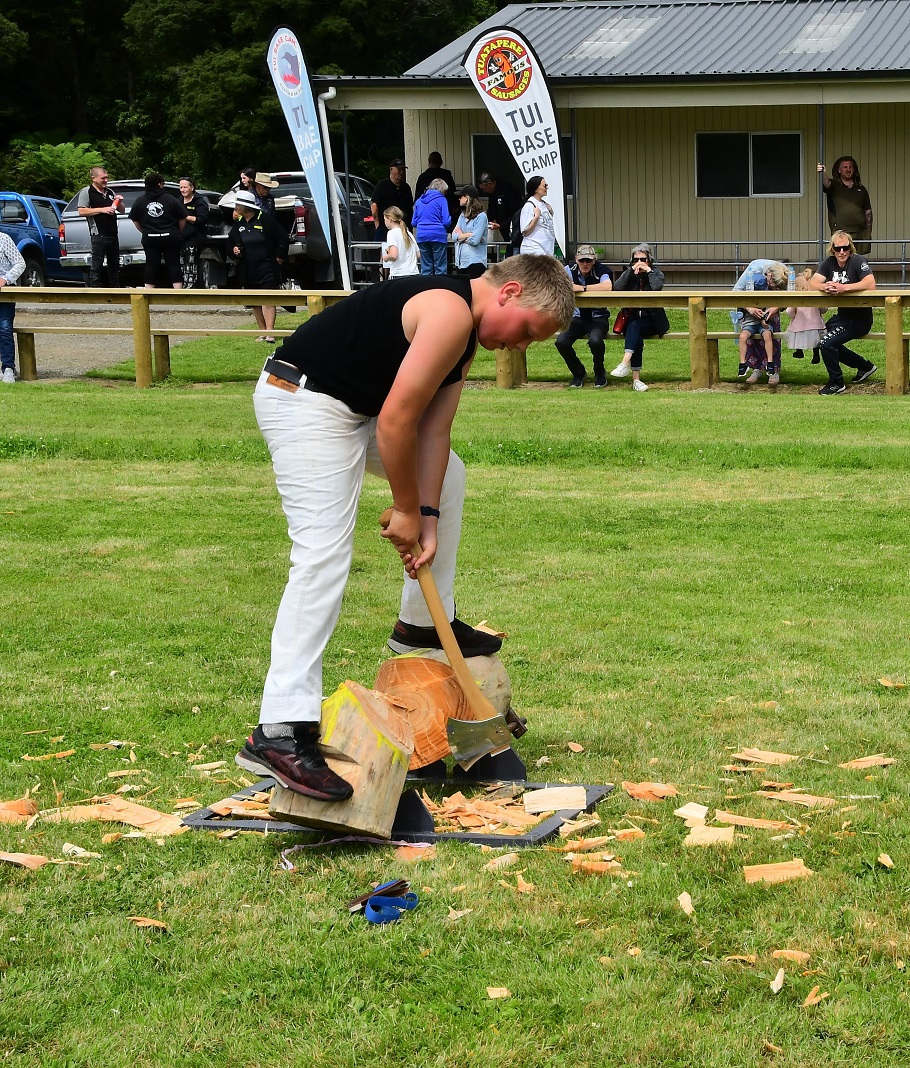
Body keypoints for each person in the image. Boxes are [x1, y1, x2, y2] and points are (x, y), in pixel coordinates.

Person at [234, 256, 575, 800]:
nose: (521, 346)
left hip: (350, 408)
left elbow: (433, 432)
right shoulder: (449, 312)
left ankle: (418, 624)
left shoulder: (465, 339)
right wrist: (405, 509)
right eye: (529, 331)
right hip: (303, 400)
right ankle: (279, 728)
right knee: (322, 553)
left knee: (452, 474)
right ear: (509, 293)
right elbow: (396, 421)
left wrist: (429, 516)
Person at [809, 231, 877, 395]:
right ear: (832, 249)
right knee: (821, 338)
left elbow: (870, 283)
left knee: (827, 343)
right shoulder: (829, 263)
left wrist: (843, 288)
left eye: (845, 247)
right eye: (838, 248)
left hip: (860, 319)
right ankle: (864, 366)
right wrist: (825, 287)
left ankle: (836, 382)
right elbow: (813, 282)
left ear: (850, 247)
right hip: (842, 317)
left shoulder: (858, 261)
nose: (842, 252)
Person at [229, 189, 289, 343]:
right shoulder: (239, 224)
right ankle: (262, 331)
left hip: (267, 266)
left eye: (238, 204)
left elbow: (282, 236)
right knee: (254, 301)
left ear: (246, 207)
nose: (235, 207)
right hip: (248, 269)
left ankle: (270, 332)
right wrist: (234, 250)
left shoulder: (265, 220)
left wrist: (280, 255)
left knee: (267, 299)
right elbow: (230, 243)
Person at [609, 243, 669, 392]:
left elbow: (656, 288)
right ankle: (636, 380)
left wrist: (648, 271)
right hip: (631, 319)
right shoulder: (629, 274)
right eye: (636, 260)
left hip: (652, 320)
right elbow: (617, 287)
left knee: (635, 327)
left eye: (643, 259)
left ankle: (624, 364)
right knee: (636, 335)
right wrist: (631, 271)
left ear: (649, 260)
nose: (639, 262)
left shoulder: (656, 273)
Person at [555, 244, 613, 388]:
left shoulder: (602, 270)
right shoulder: (569, 270)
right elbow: (558, 283)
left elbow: (607, 286)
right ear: (576, 260)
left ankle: (600, 373)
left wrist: (583, 288)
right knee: (561, 342)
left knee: (595, 341)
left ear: (594, 260)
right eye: (582, 260)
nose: (585, 264)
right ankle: (578, 373)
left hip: (598, 317)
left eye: (588, 260)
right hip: (577, 318)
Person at [730, 260, 789, 376]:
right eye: (774, 287)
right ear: (769, 276)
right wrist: (750, 309)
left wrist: (775, 308)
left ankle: (774, 369)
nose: (775, 290)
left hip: (770, 309)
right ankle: (756, 368)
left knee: (770, 335)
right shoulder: (753, 271)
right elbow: (736, 292)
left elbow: (789, 297)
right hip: (751, 310)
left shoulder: (784, 273)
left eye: (778, 288)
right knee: (750, 337)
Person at [128, 173, 187, 289]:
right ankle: (178, 293)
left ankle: (148, 292)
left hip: (150, 238)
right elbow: (182, 217)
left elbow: (135, 220)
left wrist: (145, 231)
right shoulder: (171, 199)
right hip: (170, 237)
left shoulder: (140, 201)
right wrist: (177, 231)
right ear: (160, 184)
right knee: (174, 264)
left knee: (151, 265)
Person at [76, 166, 126, 287]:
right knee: (97, 263)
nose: (106, 180)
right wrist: (102, 210)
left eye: (107, 178)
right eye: (103, 178)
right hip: (98, 234)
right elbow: (81, 211)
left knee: (114, 264)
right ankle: (95, 289)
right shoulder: (87, 192)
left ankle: (115, 289)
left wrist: (118, 201)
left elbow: (123, 211)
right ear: (94, 178)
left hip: (113, 234)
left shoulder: (109, 192)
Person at [818, 157, 872, 255]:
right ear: (839, 170)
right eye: (845, 167)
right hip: (840, 233)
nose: (848, 169)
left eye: (850, 167)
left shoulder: (861, 188)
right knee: (842, 257)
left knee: (857, 261)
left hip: (859, 233)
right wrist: (823, 173)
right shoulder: (834, 185)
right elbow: (826, 183)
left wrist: (868, 232)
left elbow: (868, 211)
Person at [785, 268, 826, 364]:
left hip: (799, 325)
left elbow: (790, 312)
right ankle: (816, 354)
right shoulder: (816, 298)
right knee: (816, 342)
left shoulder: (796, 300)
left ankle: (799, 351)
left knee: (798, 338)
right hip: (815, 325)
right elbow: (823, 310)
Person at [0, 232, 26, 384]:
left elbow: (20, 263)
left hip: (5, 293)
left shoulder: (4, 239)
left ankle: (8, 368)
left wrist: (5, 278)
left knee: (4, 328)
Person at [412, 178, 450, 275]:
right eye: (445, 191)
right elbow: (446, 221)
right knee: (440, 266)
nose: (445, 193)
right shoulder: (442, 200)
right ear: (441, 190)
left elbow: (414, 222)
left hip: (422, 236)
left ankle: (426, 288)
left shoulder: (419, 201)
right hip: (438, 235)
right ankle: (441, 288)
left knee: (426, 267)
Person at [371, 159, 414, 244]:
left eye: (403, 170)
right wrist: (377, 225)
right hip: (384, 228)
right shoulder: (382, 185)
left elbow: (410, 208)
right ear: (391, 170)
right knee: (383, 252)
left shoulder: (406, 188)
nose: (401, 173)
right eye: (399, 170)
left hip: (403, 228)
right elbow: (374, 206)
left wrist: (409, 226)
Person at [178, 176, 210, 289]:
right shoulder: (179, 201)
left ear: (192, 187)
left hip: (195, 237)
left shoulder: (200, 202)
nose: (183, 190)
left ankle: (191, 288)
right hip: (181, 237)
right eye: (181, 187)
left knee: (191, 263)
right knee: (181, 263)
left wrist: (186, 217)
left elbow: (202, 220)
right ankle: (181, 286)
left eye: (185, 187)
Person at [477, 172, 520, 254]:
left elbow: (516, 213)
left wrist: (501, 225)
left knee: (513, 246)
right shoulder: (492, 193)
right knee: (508, 243)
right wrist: (485, 222)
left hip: (514, 225)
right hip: (503, 225)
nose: (483, 191)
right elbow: (491, 211)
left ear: (490, 184)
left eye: (483, 189)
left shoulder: (508, 190)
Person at [415, 152, 459, 229]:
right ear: (441, 162)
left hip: (427, 217)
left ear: (429, 162)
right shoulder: (446, 175)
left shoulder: (423, 177)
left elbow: (418, 197)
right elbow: (453, 194)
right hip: (446, 213)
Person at [452, 185, 488, 278]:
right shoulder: (462, 216)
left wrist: (461, 236)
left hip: (475, 262)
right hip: (460, 262)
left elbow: (474, 241)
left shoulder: (481, 216)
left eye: (461, 196)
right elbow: (454, 236)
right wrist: (468, 234)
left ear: (467, 198)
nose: (459, 198)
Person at [518, 176, 555, 257]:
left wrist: (551, 213)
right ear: (536, 189)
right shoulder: (529, 206)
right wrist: (536, 217)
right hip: (534, 249)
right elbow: (525, 232)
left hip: (546, 250)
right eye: (544, 186)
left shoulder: (544, 204)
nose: (547, 188)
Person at [381, 206, 419, 277]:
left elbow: (393, 255)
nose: (384, 222)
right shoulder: (408, 233)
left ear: (390, 219)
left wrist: (386, 257)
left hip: (399, 273)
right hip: (413, 273)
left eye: (384, 219)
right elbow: (418, 254)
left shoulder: (391, 233)